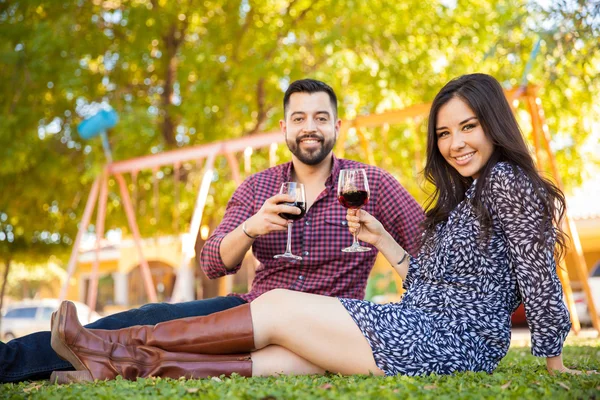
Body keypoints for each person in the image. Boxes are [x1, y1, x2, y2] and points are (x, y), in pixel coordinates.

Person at [48, 73, 590, 383]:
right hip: (421, 321)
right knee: (283, 364)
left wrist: (554, 358)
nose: (456, 144)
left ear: (494, 125)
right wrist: (384, 243)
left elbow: (538, 275)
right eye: (445, 133)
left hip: (454, 341)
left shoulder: (507, 183)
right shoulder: (467, 194)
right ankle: (120, 366)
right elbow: (431, 280)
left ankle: (110, 343)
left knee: (281, 307)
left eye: (469, 127)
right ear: (285, 127)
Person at [0, 79, 423, 383]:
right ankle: (9, 362)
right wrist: (253, 227)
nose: (309, 126)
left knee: (164, 346)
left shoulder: (369, 183)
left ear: (336, 127)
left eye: (320, 117)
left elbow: (429, 246)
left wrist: (385, 241)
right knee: (147, 318)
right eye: (299, 117)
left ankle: (107, 367)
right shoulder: (258, 186)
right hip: (253, 311)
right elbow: (213, 260)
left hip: (330, 324)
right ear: (284, 129)